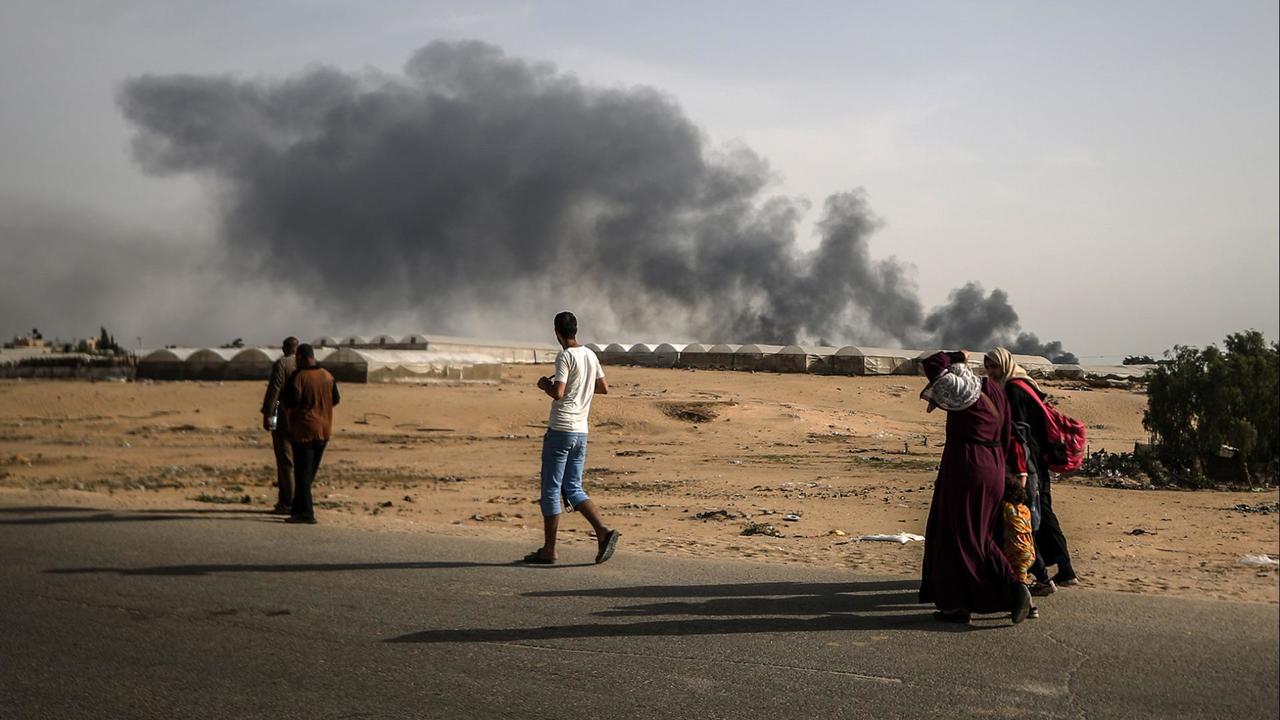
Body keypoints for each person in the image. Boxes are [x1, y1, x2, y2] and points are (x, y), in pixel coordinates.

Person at [918, 350, 1033, 625]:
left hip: (967, 469)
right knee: (967, 535)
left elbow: (932, 362)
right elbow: (1006, 435)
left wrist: (956, 355)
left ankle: (1015, 591)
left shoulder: (965, 397)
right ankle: (955, 605)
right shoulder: (994, 389)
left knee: (964, 536)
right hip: (991, 467)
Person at [523, 311, 620, 565]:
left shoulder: (565, 356)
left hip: (562, 429)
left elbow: (558, 392)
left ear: (557, 333)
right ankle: (602, 531)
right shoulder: (590, 354)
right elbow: (603, 387)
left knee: (551, 490)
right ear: (575, 330)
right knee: (573, 487)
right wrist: (582, 386)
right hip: (581, 431)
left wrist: (545, 384)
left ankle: (549, 549)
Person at [985, 347, 1078, 593]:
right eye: (988, 366)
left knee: (1032, 516)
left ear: (1004, 365)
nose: (991, 372)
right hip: (1035, 461)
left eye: (994, 366)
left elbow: (1019, 432)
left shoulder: (1014, 389)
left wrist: (1020, 470)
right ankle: (1062, 569)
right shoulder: (1026, 384)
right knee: (1042, 513)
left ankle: (1040, 574)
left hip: (1029, 463)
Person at [279, 344, 339, 525]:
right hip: (324, 429)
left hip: (304, 430)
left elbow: (291, 400)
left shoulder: (300, 377)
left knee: (302, 474)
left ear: (301, 357)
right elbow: (336, 399)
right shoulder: (327, 376)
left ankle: (306, 513)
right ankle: (298, 509)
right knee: (308, 473)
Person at [260, 336, 298, 514]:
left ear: (284, 348)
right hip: (303, 419)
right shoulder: (305, 364)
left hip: (283, 416)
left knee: (285, 462)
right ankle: (298, 501)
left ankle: (287, 502)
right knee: (298, 462)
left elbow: (275, 391)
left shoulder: (282, 364)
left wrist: (269, 415)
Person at [1001, 474, 1041, 620]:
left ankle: (1031, 608)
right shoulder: (1025, 510)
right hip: (1029, 551)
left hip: (1016, 551)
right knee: (1020, 576)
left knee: (1019, 582)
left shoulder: (1006, 508)